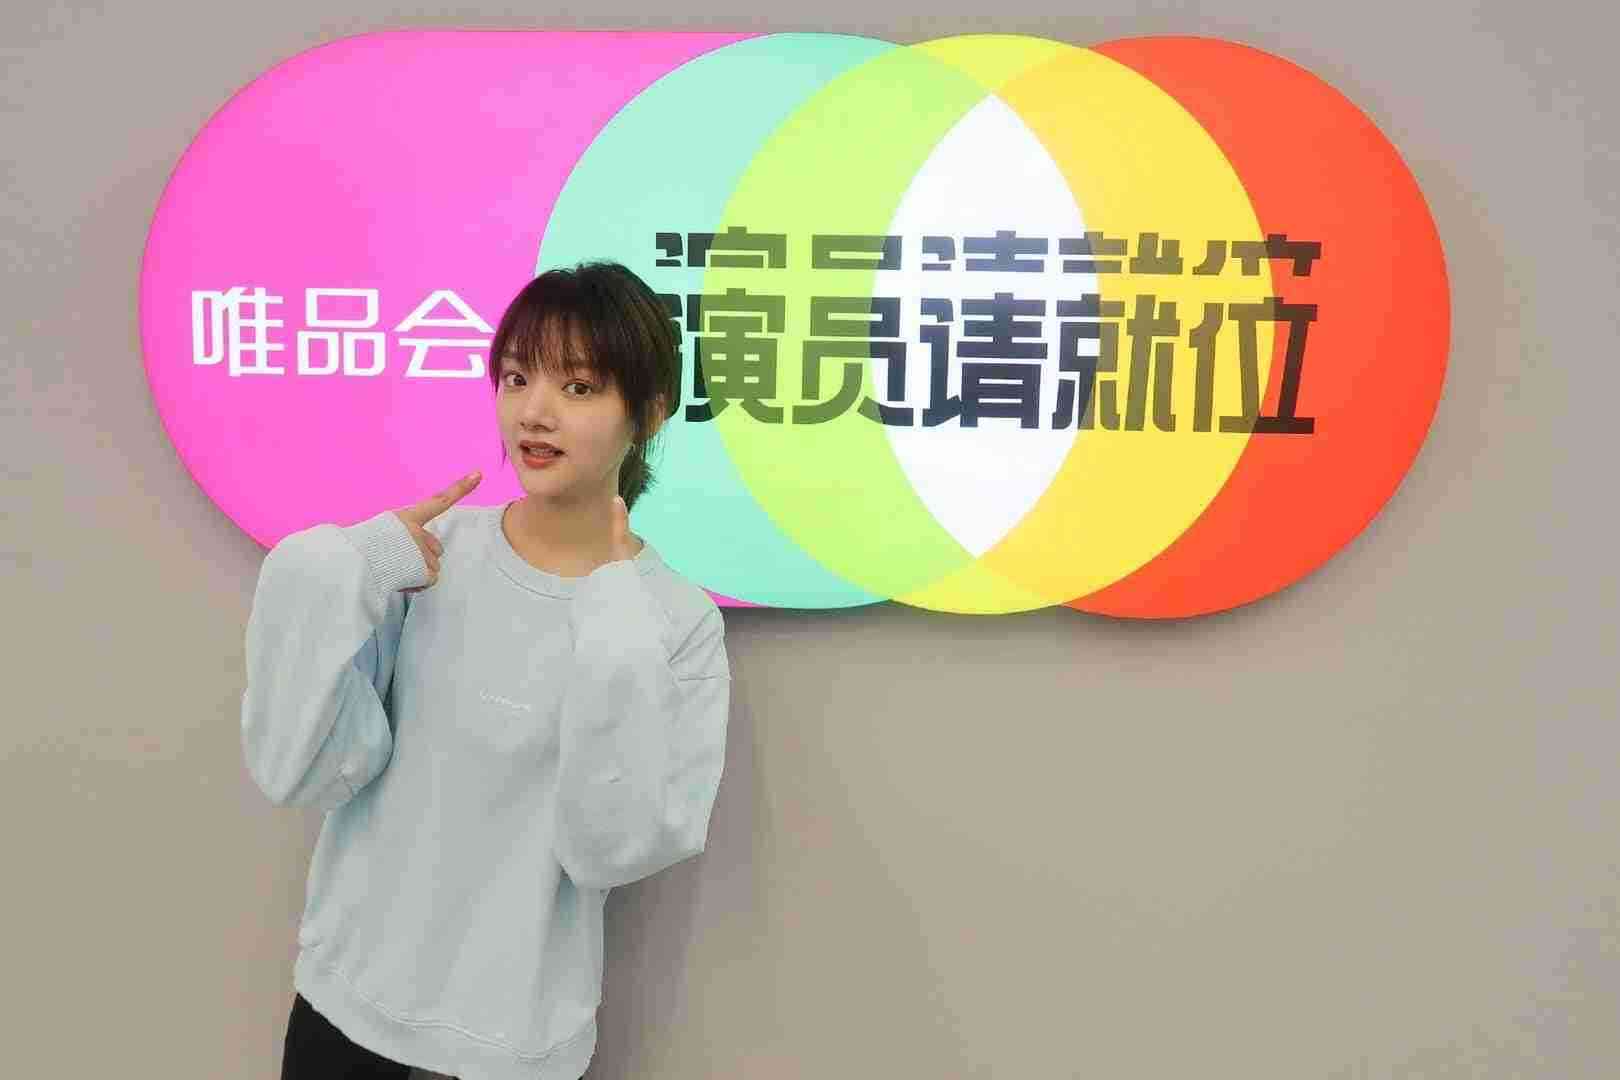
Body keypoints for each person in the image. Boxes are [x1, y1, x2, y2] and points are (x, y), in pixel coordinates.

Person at [240, 261, 732, 1080]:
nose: (534, 412)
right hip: (349, 1002)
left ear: (649, 411)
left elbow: (616, 844)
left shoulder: (675, 621)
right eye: (516, 377)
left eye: (579, 387)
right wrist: (351, 568)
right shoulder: (433, 557)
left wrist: (616, 629)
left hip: (512, 1039)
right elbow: (316, 760)